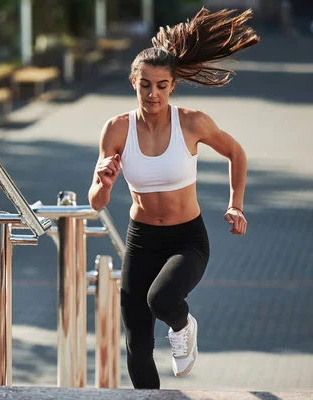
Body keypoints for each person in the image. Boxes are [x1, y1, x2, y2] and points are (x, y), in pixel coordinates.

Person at [88, 8, 259, 389]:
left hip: (187, 240)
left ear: (173, 84)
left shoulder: (192, 122)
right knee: (136, 342)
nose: (153, 94)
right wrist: (105, 182)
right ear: (134, 82)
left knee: (162, 300)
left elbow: (236, 153)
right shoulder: (116, 129)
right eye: (145, 84)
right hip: (141, 239)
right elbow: (96, 203)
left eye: (162, 85)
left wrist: (236, 204)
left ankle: (183, 326)